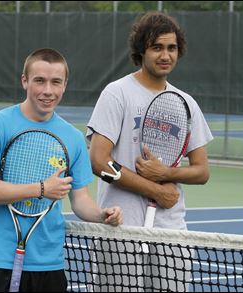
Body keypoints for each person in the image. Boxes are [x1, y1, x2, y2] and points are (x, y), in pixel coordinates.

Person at [0, 48, 123, 292]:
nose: (48, 91)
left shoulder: (73, 138)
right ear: (24, 81)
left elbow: (80, 200)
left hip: (49, 266)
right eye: (39, 81)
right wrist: (41, 189)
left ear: (65, 85)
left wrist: (102, 215)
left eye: (55, 82)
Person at [86, 11, 213, 292]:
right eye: (157, 47)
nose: (165, 55)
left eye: (171, 48)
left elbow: (202, 171)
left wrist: (166, 173)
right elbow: (98, 161)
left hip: (171, 232)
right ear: (141, 50)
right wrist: (155, 190)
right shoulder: (116, 93)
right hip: (120, 229)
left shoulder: (186, 103)